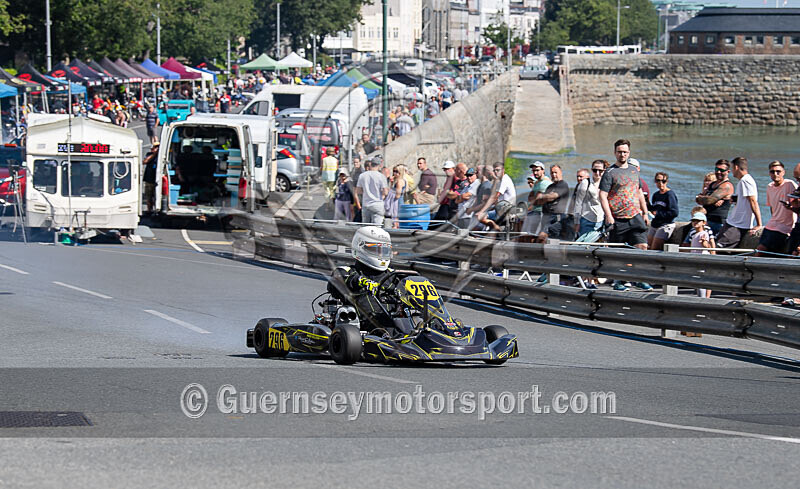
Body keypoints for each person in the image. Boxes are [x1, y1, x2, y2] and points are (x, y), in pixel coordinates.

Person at [326, 226, 406, 335]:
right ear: (360, 248)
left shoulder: (394, 275)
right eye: (374, 250)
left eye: (384, 251)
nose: (380, 255)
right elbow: (335, 284)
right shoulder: (347, 271)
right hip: (365, 328)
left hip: (397, 323)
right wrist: (360, 281)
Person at [598, 139, 652, 291]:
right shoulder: (610, 172)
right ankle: (619, 281)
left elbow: (639, 192)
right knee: (619, 253)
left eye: (625, 152)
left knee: (642, 247)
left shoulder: (634, 171)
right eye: (620, 152)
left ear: (629, 153)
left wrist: (645, 212)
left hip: (635, 216)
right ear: (615, 153)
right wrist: (608, 215)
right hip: (618, 218)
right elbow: (602, 195)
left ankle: (639, 279)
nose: (622, 154)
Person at [717, 157, 763, 248]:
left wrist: (759, 224)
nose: (732, 171)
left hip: (738, 225)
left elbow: (753, 201)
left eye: (732, 168)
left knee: (719, 248)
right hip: (733, 222)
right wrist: (735, 199)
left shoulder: (746, 181)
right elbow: (745, 199)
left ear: (736, 167)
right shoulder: (743, 181)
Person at [757, 160, 797, 256]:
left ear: (783, 172)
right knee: (760, 249)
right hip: (771, 225)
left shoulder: (790, 185)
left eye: (778, 171)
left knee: (761, 250)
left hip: (784, 228)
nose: (775, 174)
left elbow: (797, 204)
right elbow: (772, 207)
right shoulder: (769, 187)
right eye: (772, 172)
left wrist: (790, 206)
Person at [696, 159, 735, 236]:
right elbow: (698, 199)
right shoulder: (712, 184)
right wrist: (701, 198)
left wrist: (704, 198)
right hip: (705, 219)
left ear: (728, 172)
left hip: (716, 223)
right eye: (717, 169)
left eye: (721, 170)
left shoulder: (726, 185)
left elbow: (709, 200)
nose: (718, 172)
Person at [476, 161, 517, 233]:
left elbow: (494, 197)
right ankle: (493, 230)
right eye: (494, 170)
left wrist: (481, 211)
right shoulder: (500, 181)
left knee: (480, 216)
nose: (496, 172)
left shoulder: (505, 180)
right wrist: (495, 179)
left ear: (503, 170)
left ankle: (497, 228)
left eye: (498, 170)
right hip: (500, 209)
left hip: (506, 211)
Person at [647, 172, 679, 251]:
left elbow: (674, 212)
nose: (660, 183)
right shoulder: (656, 195)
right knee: (647, 246)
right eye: (658, 181)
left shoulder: (670, 195)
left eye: (663, 181)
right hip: (655, 223)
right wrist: (646, 202)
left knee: (654, 248)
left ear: (666, 182)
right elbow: (653, 209)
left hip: (665, 224)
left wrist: (659, 214)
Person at [574, 160, 607, 237]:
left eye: (600, 170)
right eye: (595, 170)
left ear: (604, 170)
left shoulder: (606, 183)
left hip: (601, 220)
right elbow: (578, 203)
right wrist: (577, 222)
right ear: (592, 170)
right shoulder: (585, 183)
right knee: (584, 243)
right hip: (586, 219)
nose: (597, 173)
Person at [521, 161, 550, 242]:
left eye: (537, 170)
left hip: (541, 212)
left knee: (534, 236)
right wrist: (534, 199)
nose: (535, 173)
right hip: (535, 211)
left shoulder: (545, 183)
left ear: (543, 170)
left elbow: (537, 198)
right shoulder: (537, 182)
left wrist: (534, 199)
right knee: (527, 234)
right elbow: (530, 197)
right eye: (533, 171)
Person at [689, 211, 715, 299]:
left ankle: (702, 298)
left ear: (703, 223)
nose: (695, 222)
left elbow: (707, 246)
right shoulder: (694, 234)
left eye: (698, 221)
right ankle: (700, 297)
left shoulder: (704, 233)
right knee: (698, 280)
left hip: (701, 259)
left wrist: (704, 243)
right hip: (696, 259)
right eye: (694, 221)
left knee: (701, 280)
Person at [356, 159, 389, 226]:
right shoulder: (381, 176)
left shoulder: (362, 175)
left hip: (366, 204)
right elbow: (385, 192)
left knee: (365, 227)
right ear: (379, 165)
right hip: (377, 204)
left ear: (370, 164)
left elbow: (358, 191)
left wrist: (366, 192)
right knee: (377, 227)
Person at [142, 142, 159, 213]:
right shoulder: (149, 154)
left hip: (157, 179)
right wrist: (154, 154)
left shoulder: (160, 156)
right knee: (149, 196)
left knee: (156, 196)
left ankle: (156, 210)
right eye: (154, 147)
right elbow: (145, 161)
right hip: (149, 179)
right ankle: (149, 210)